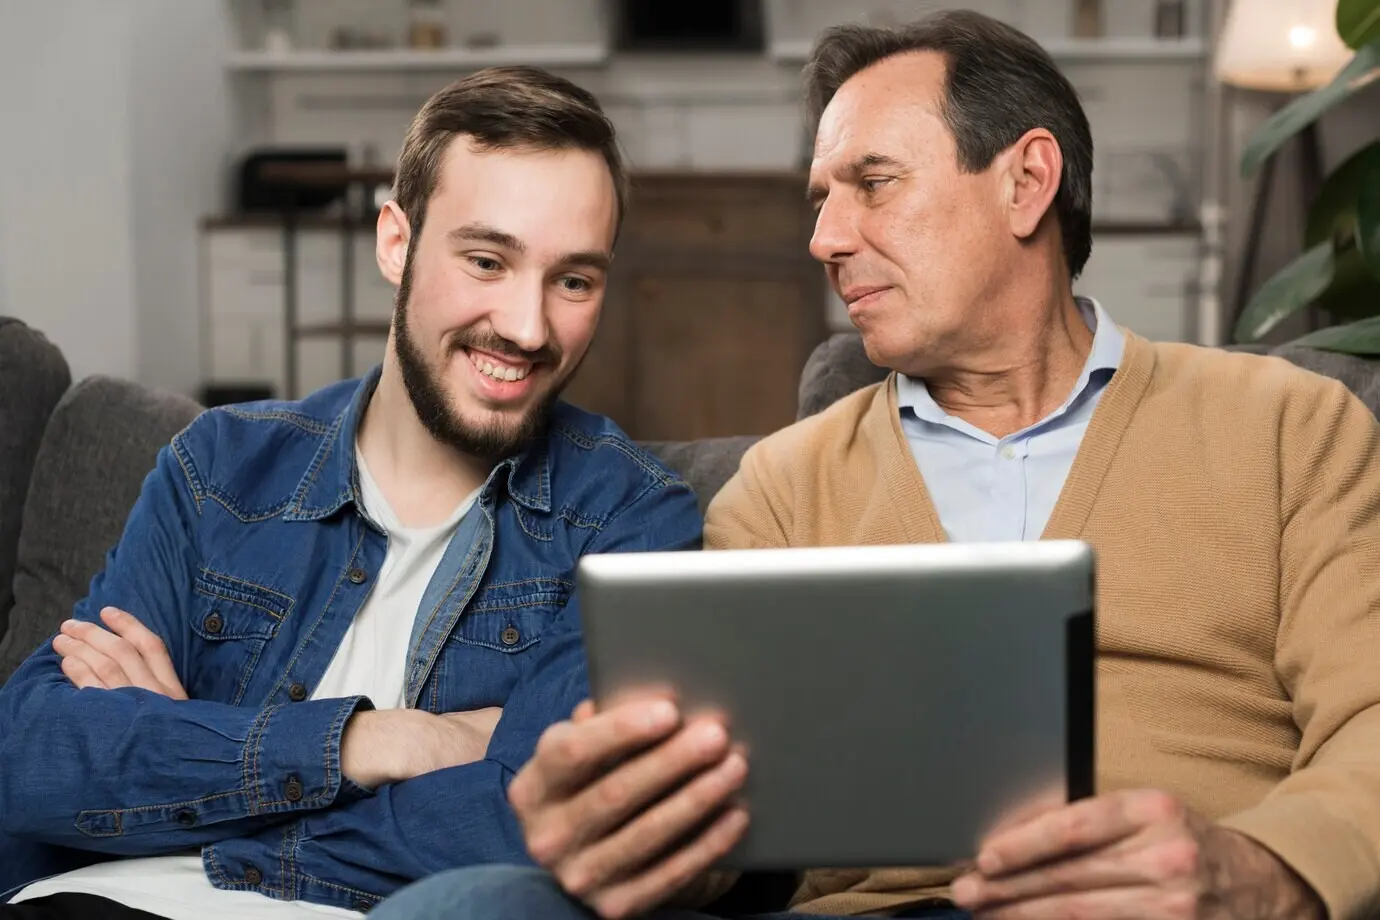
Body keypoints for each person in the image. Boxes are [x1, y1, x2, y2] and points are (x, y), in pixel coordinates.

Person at [370, 10, 1380, 920]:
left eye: (873, 184)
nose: (823, 237)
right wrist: (623, 821)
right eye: (820, 199)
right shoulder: (783, 486)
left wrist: (1262, 869)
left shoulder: (1289, 427)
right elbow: (716, 828)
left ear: (1027, 180)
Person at [0, 65, 702, 920]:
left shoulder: (632, 521)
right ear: (396, 243)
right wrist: (377, 741)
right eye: (487, 260)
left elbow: (538, 824)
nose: (528, 327)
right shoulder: (220, 469)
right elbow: (30, 754)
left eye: (575, 281)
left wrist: (191, 776)